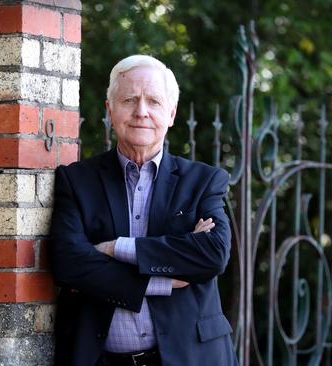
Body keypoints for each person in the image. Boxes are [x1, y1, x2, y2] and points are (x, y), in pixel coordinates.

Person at [49, 54, 237, 366]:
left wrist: (115, 248)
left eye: (153, 101)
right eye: (129, 100)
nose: (141, 112)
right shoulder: (77, 180)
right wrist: (161, 281)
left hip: (192, 356)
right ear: (110, 110)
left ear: (172, 113)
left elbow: (213, 253)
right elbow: (69, 262)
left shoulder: (204, 181)